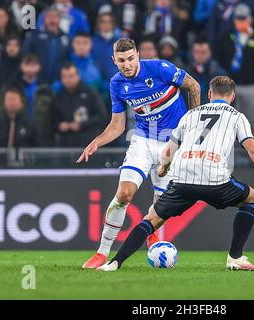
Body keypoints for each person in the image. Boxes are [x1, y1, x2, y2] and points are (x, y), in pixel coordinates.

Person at [98, 76, 254, 272]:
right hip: (215, 179)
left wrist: (163, 169)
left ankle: (115, 262)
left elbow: (168, 151)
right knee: (251, 198)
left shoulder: (190, 115)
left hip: (182, 178)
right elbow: (253, 150)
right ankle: (235, 257)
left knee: (151, 220)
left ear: (209, 94)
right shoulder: (236, 117)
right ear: (232, 96)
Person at [77, 38, 201, 269]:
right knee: (124, 194)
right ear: (114, 60)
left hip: (173, 144)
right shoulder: (116, 84)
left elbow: (194, 86)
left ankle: (152, 234)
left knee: (161, 203)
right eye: (122, 60)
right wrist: (97, 142)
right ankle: (102, 253)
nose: (127, 64)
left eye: (131, 58)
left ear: (138, 56)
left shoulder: (160, 68)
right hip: (143, 140)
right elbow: (117, 125)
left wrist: (192, 127)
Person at [216, 2, 254, 132]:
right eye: (238, 19)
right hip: (231, 86)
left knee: (251, 124)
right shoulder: (227, 36)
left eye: (243, 19)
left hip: (252, 86)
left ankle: (251, 151)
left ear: (250, 19)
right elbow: (221, 59)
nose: (241, 22)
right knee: (229, 124)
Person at [53, 63, 106, 147]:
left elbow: (101, 115)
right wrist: (60, 125)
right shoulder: (58, 97)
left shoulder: (90, 93)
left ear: (78, 76)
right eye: (64, 76)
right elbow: (53, 120)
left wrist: (81, 125)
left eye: (71, 76)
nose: (68, 79)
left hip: (89, 143)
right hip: (65, 145)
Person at [22, 6, 71, 84]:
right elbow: (25, 55)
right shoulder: (35, 35)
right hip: (37, 80)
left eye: (55, 17)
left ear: (60, 19)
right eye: (49, 17)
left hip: (59, 81)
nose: (52, 20)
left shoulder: (66, 38)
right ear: (44, 19)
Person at [186, 39, 227, 105]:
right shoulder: (187, 72)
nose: (199, 56)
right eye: (196, 52)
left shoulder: (219, 74)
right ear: (192, 52)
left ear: (210, 52)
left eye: (203, 52)